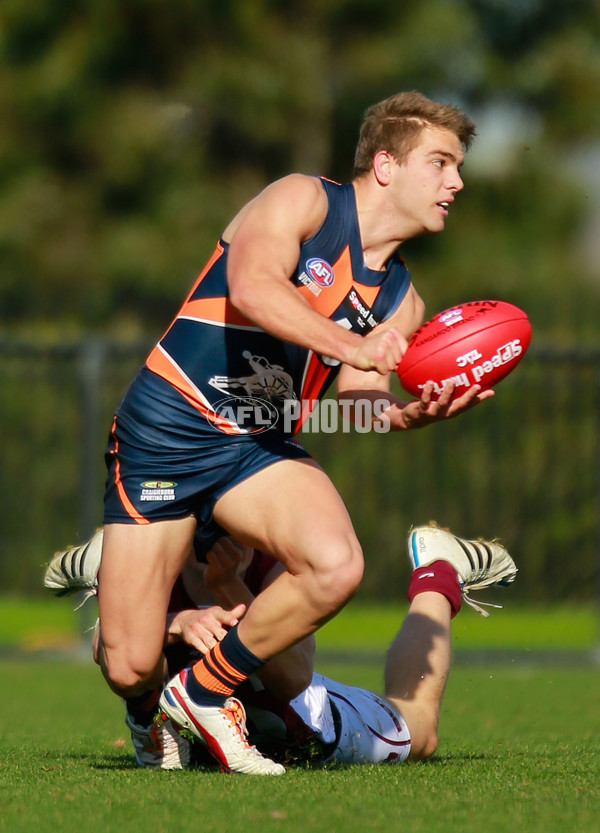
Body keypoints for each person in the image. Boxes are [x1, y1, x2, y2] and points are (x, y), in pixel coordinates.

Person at [95, 89, 495, 775]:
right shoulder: (303, 201)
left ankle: (204, 690)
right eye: (441, 162)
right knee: (129, 660)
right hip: (169, 424)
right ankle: (147, 709)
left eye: (457, 166)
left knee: (337, 561)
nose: (456, 181)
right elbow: (252, 286)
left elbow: (359, 397)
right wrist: (353, 342)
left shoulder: (402, 299)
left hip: (254, 447)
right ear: (386, 165)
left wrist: (402, 413)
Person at [44, 523, 517, 769]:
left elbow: (293, 678)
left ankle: (437, 567)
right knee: (134, 645)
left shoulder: (275, 554)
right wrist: (176, 622)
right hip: (204, 723)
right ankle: (111, 564)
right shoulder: (163, 547)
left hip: (295, 723)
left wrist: (230, 587)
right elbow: (113, 651)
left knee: (422, 730)